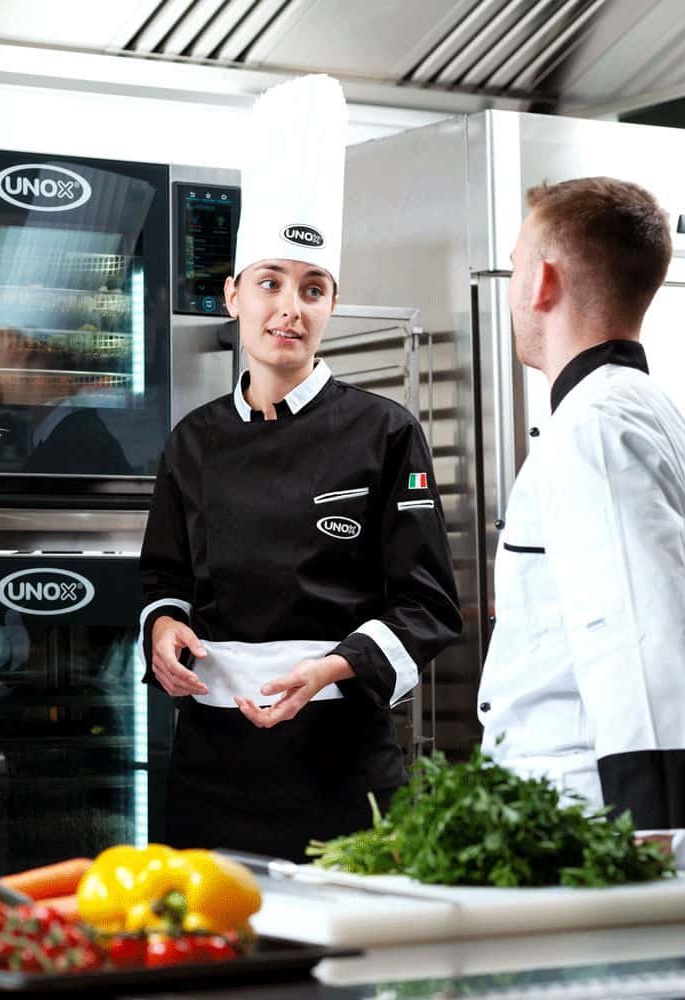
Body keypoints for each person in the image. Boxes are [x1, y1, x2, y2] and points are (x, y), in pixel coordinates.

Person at [138, 76, 462, 862]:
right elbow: (163, 582)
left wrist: (328, 670)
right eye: (271, 283)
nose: (290, 306)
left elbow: (429, 606)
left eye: (312, 290)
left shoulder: (385, 433)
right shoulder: (193, 442)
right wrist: (164, 630)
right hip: (213, 769)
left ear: (330, 306)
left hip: (341, 762)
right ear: (233, 296)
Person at [478, 177, 685, 859]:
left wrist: (659, 847)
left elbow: (639, 636)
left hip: (591, 827)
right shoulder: (645, 410)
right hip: (573, 818)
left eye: (513, 265)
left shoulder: (595, 427)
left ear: (541, 280)